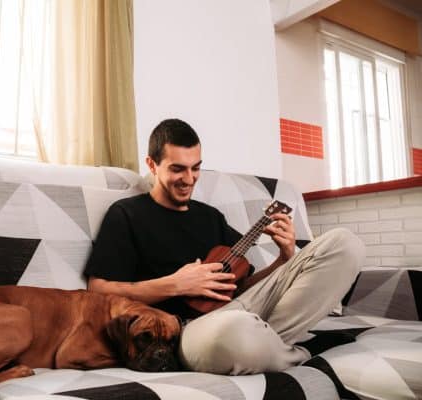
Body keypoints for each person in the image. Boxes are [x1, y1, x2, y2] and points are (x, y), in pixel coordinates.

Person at [83, 118, 364, 374]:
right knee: (232, 334)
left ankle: (265, 347)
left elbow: (242, 286)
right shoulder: (126, 214)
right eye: (177, 169)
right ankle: (295, 351)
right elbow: (98, 290)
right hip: (189, 331)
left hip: (243, 310)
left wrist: (284, 259)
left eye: (196, 168)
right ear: (152, 164)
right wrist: (175, 284)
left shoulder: (211, 217)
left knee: (344, 244)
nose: (189, 179)